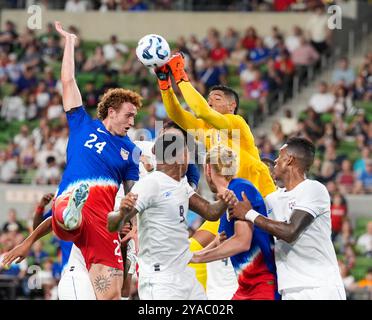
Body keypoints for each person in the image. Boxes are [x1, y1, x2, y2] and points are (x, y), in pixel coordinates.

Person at [155, 52, 276, 289]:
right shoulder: (205, 130)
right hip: (230, 204)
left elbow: (201, 110)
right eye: (208, 98)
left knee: (268, 261)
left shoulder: (237, 124)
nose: (210, 101)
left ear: (232, 105)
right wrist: (164, 83)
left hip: (262, 201)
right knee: (191, 250)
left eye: (217, 98)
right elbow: (176, 114)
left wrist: (181, 75)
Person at [50, 21, 142, 300]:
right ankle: (70, 214)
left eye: (135, 117)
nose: (132, 121)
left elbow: (133, 195)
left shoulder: (131, 151)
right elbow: (68, 81)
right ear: (111, 112)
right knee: (67, 212)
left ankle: (70, 215)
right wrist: (69, 42)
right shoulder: (82, 124)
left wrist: (133, 224)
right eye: (128, 115)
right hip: (74, 202)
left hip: (104, 222)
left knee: (112, 294)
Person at [107, 130, 238, 300]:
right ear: (176, 157)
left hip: (185, 274)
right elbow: (112, 224)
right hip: (161, 280)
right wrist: (122, 213)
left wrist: (224, 201)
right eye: (186, 152)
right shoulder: (151, 184)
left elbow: (210, 212)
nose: (189, 159)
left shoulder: (181, 187)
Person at [229, 137, 346, 300]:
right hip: (288, 289)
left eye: (279, 156)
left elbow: (290, 231)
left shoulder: (313, 189)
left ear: (290, 159)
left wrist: (249, 213)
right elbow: (262, 231)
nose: (275, 160)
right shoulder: (271, 200)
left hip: (320, 286)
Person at [191, 146, 278, 300]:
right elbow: (221, 239)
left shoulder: (240, 188)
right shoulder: (227, 199)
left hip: (262, 286)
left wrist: (198, 258)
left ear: (207, 169)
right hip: (245, 287)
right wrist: (192, 256)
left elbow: (242, 242)